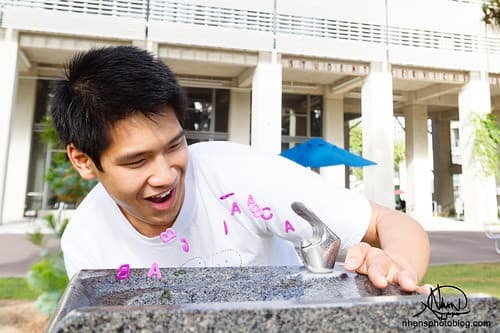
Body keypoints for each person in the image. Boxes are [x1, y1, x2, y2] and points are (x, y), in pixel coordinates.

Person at [52, 46, 430, 293]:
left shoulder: (239, 174)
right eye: (137, 160)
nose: (166, 174)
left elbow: (391, 224)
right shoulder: (88, 244)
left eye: (175, 145)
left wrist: (397, 267)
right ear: (84, 160)